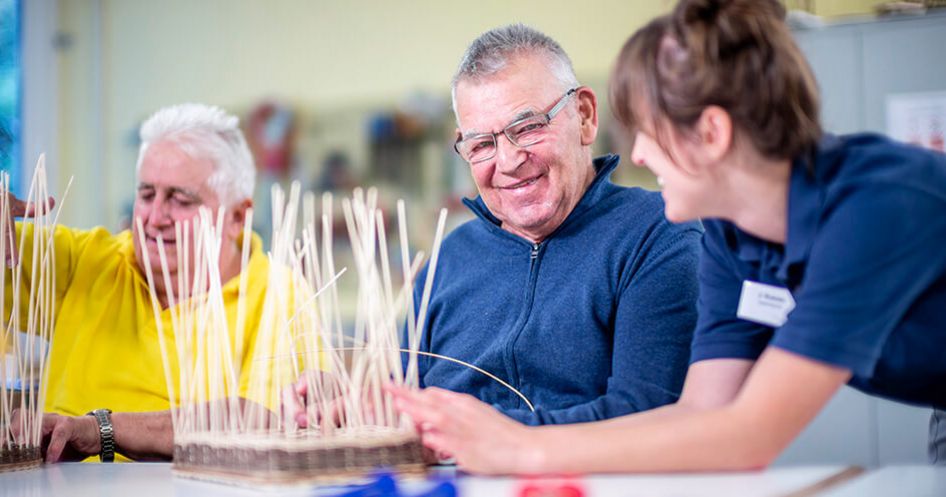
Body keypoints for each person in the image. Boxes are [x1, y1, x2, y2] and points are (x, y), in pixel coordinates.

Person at [390, 0, 946, 474]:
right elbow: (703, 413)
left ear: (711, 133)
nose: (636, 156)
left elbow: (752, 436)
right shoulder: (735, 238)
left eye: (649, 134)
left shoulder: (872, 209)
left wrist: (522, 447)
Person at [385, 24, 702, 427]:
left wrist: (486, 435)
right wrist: (349, 406)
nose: (508, 161)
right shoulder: (448, 259)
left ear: (584, 116)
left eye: (529, 127)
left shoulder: (658, 231)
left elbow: (645, 414)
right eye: (482, 145)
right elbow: (403, 406)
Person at [10, 103, 268, 462]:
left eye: (180, 199)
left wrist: (100, 430)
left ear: (238, 216)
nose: (154, 217)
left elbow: (271, 420)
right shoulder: (87, 261)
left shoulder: (275, 294)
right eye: (146, 195)